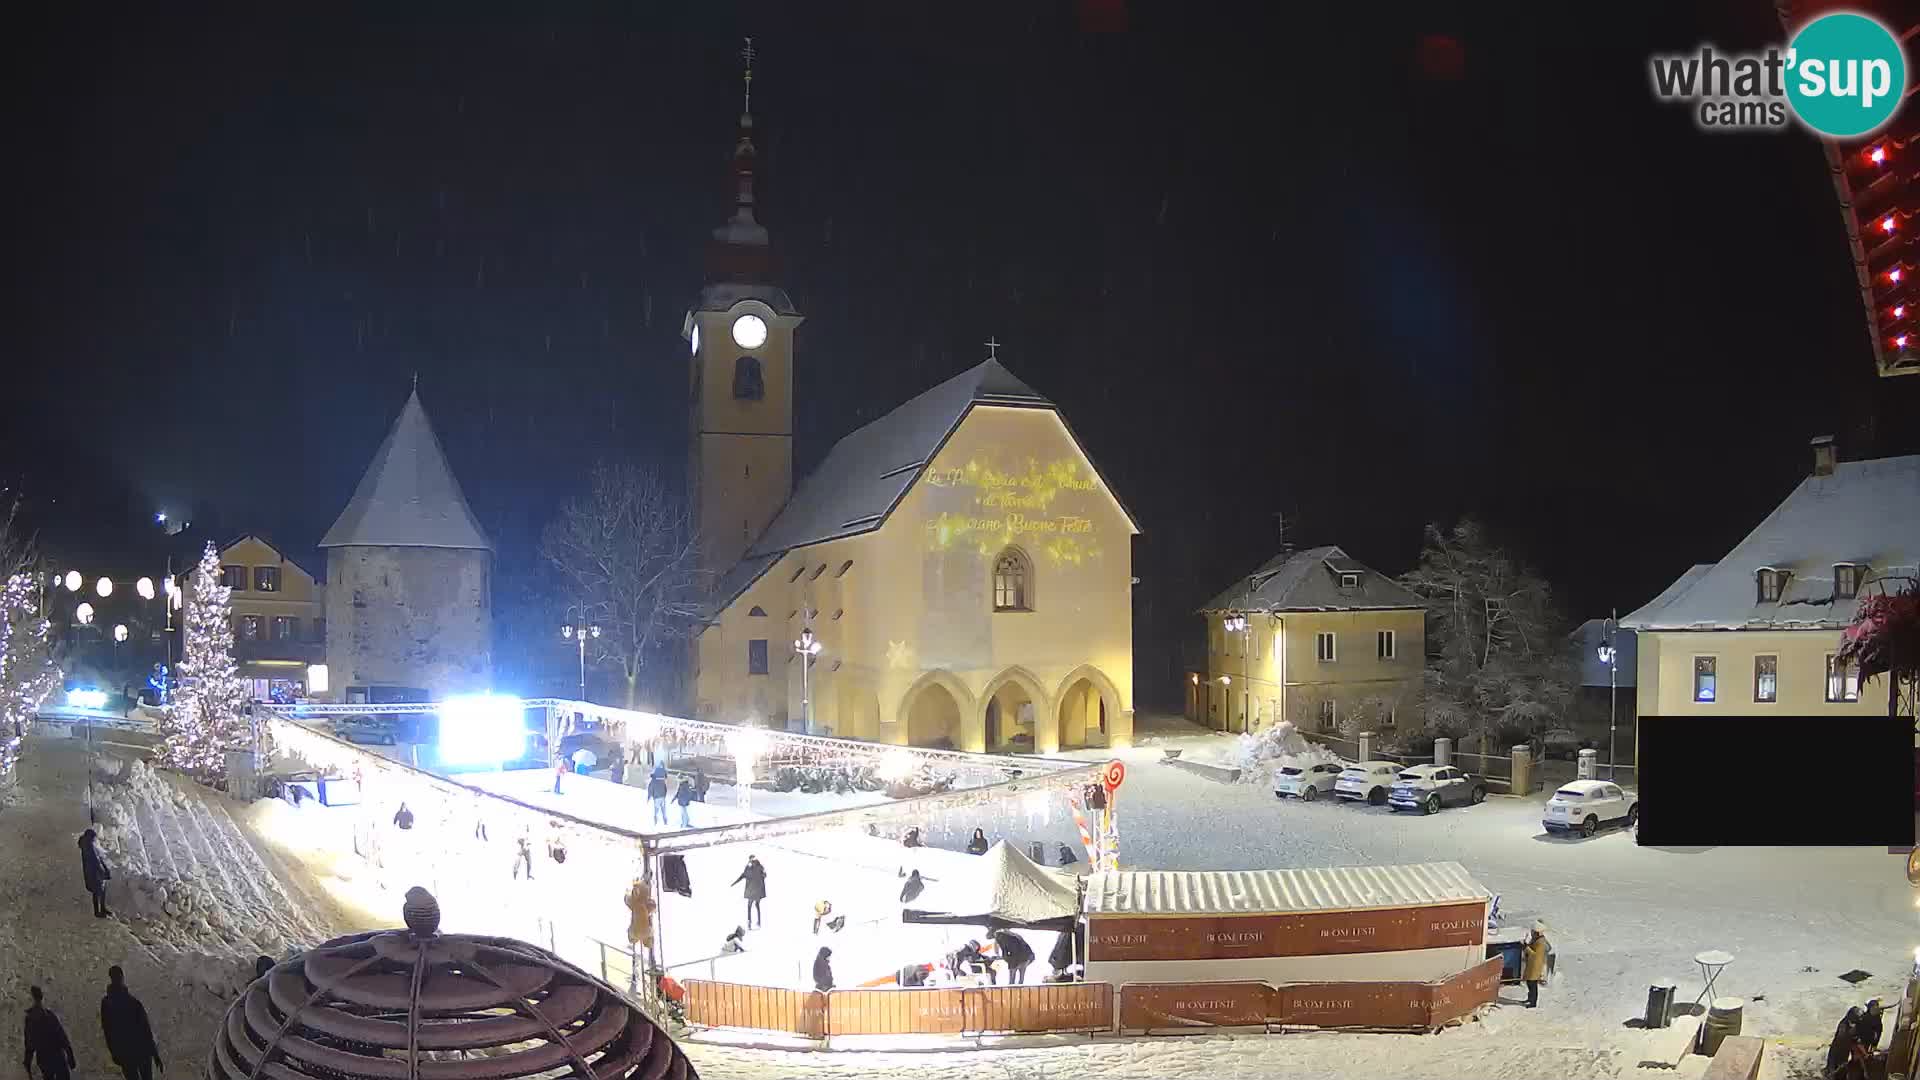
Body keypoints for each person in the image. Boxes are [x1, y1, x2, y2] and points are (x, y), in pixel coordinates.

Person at [100, 966, 162, 1080]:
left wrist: (114, 1052)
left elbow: (107, 1030)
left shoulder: (107, 1003)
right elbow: (146, 1029)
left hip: (125, 1053)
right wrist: (155, 1053)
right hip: (141, 1051)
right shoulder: (133, 1002)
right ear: (122, 977)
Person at [22, 985, 76, 1080]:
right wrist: (70, 1055)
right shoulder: (48, 1016)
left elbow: (29, 1044)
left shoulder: (31, 1019)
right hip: (55, 1056)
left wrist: (28, 1062)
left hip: (46, 1058)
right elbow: (62, 1037)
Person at [79, 829, 111, 918]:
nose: (94, 839)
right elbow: (95, 860)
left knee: (101, 890)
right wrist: (102, 870)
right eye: (93, 838)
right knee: (97, 891)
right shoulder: (88, 846)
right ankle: (98, 912)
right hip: (93, 872)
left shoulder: (89, 845)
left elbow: (98, 858)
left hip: (93, 871)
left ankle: (102, 908)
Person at [731, 855, 767, 928]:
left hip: (751, 891)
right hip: (759, 891)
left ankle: (749, 923)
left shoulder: (748, 867)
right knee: (757, 905)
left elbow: (742, 876)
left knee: (749, 906)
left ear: (750, 859)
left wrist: (733, 883)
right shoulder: (760, 866)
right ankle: (759, 922)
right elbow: (765, 875)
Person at [1828, 1006, 1862, 1079]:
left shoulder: (1855, 1024)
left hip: (1845, 1051)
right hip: (1837, 1050)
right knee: (1833, 1071)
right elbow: (1842, 1037)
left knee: (1842, 1071)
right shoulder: (1843, 1025)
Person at [1521, 921, 1549, 1009]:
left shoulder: (1541, 943)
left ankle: (1533, 1002)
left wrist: (1526, 948)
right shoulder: (1537, 940)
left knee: (1532, 984)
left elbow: (1535, 955)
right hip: (1532, 965)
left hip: (1535, 966)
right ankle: (1530, 998)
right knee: (1530, 983)